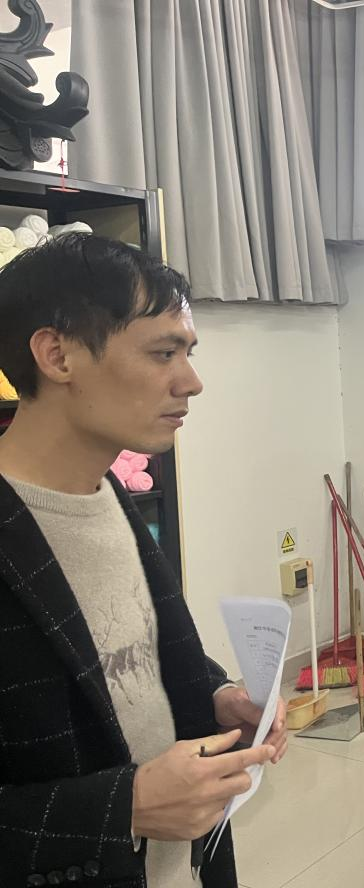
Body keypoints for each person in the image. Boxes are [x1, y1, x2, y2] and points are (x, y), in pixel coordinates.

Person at [0, 235, 287, 888]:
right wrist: (120, 809)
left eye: (188, 353)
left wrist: (214, 696)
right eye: (163, 353)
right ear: (56, 355)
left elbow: (130, 651)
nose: (192, 382)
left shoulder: (111, 494)